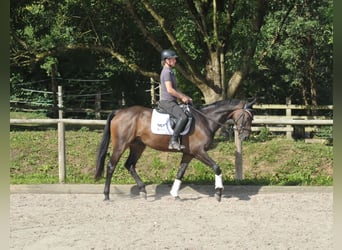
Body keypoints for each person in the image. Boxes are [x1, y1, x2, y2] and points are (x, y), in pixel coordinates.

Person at [158, 49, 193, 150]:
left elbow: (176, 89)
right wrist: (182, 97)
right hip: (167, 102)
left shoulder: (171, 72)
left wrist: (185, 97)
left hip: (172, 101)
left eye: (174, 59)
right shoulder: (166, 72)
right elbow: (170, 90)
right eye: (173, 59)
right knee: (183, 117)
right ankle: (173, 141)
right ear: (166, 60)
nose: (175, 61)